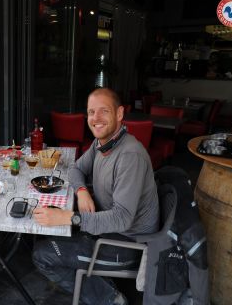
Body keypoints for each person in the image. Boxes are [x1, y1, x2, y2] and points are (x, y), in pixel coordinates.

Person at [32, 88, 159, 305]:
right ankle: (100, 287)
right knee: (48, 233)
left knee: (43, 255)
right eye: (91, 112)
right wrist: (82, 192)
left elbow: (122, 219)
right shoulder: (102, 143)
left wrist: (69, 218)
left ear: (119, 114)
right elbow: (75, 169)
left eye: (103, 111)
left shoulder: (130, 155)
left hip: (127, 244)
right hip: (107, 229)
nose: (96, 119)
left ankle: (110, 299)